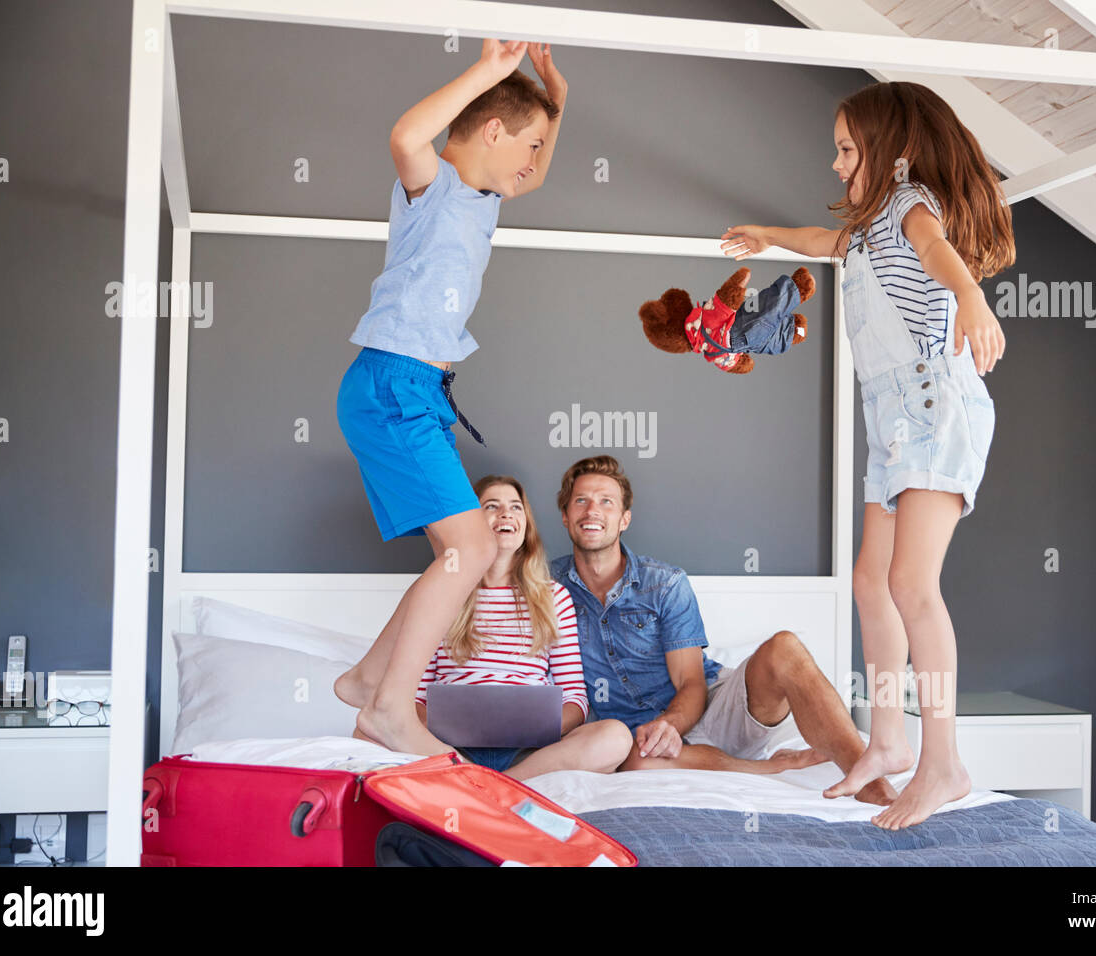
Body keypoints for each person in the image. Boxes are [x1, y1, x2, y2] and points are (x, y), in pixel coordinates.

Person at [720, 80, 1015, 828]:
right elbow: (826, 245)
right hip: (891, 420)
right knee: (869, 584)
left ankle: (941, 760)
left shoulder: (909, 207)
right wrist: (769, 235)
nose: (836, 162)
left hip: (933, 407)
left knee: (914, 585)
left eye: (847, 149)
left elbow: (938, 251)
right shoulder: (865, 227)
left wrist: (974, 300)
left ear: (894, 153)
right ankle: (886, 740)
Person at [333, 39, 568, 756]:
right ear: (492, 130)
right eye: (526, 144)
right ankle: (390, 708)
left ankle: (369, 677)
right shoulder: (431, 187)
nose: (533, 163)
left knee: (456, 556)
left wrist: (556, 102)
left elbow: (528, 174)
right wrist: (490, 74)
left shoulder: (488, 199)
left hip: (419, 390)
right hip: (392, 381)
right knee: (468, 550)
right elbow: (406, 134)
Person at [549, 456, 899, 806]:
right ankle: (769, 768)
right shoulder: (543, 588)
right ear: (566, 516)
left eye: (606, 501)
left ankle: (868, 777)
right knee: (632, 760)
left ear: (624, 519)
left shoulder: (664, 584)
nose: (592, 510)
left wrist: (671, 725)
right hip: (638, 741)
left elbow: (691, 681)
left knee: (785, 647)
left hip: (711, 710)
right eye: (581, 500)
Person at [412, 475, 633, 779]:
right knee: (365, 730)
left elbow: (575, 699)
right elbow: (414, 697)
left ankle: (495, 785)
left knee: (615, 737)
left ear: (525, 525)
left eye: (516, 507)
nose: (506, 513)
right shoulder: (442, 593)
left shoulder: (553, 597)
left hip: (528, 754)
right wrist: (444, 729)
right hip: (448, 749)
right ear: (472, 523)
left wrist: (537, 727)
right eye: (492, 506)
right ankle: (476, 777)